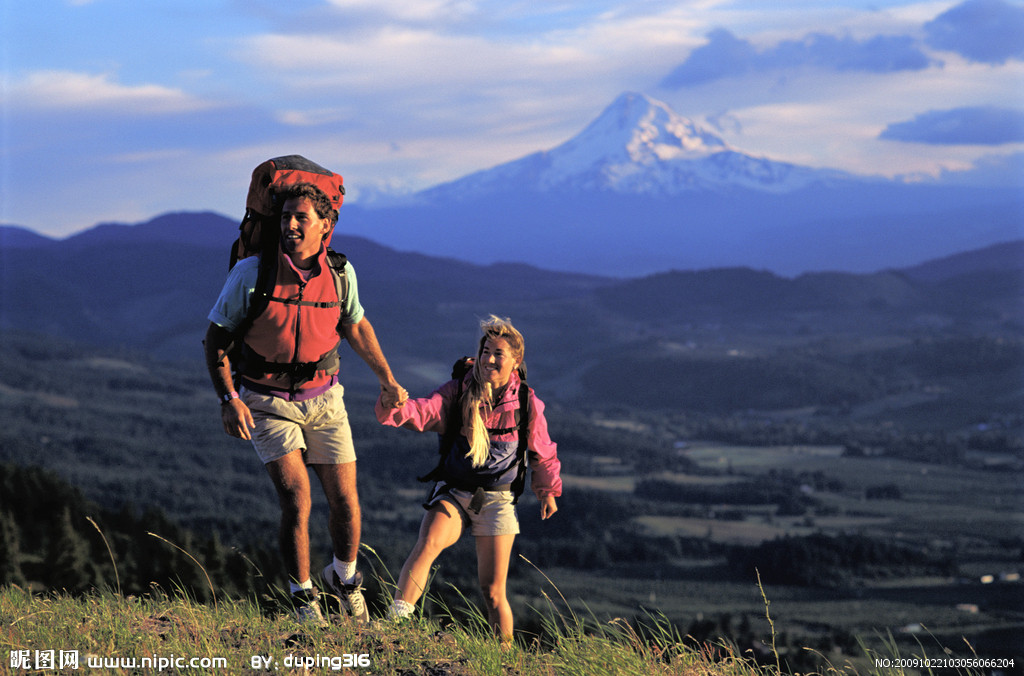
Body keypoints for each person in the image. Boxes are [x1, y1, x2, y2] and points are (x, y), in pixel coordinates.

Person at [204, 182, 408, 624]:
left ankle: (344, 579)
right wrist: (229, 398)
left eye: (301, 218)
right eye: (285, 217)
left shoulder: (339, 273)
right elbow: (216, 339)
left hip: (325, 400)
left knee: (346, 501)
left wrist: (387, 380)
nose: (291, 225)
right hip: (265, 401)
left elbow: (355, 325)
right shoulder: (251, 274)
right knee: (297, 499)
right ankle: (303, 598)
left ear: (325, 226)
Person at [375, 315, 561, 643]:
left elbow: (542, 451)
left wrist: (547, 491)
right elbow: (427, 411)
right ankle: (396, 624)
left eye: (498, 353)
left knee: (492, 592)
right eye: (486, 350)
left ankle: (503, 660)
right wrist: (398, 407)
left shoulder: (526, 403)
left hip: (497, 500)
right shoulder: (460, 390)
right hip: (454, 491)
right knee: (429, 542)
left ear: (515, 360)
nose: (489, 358)